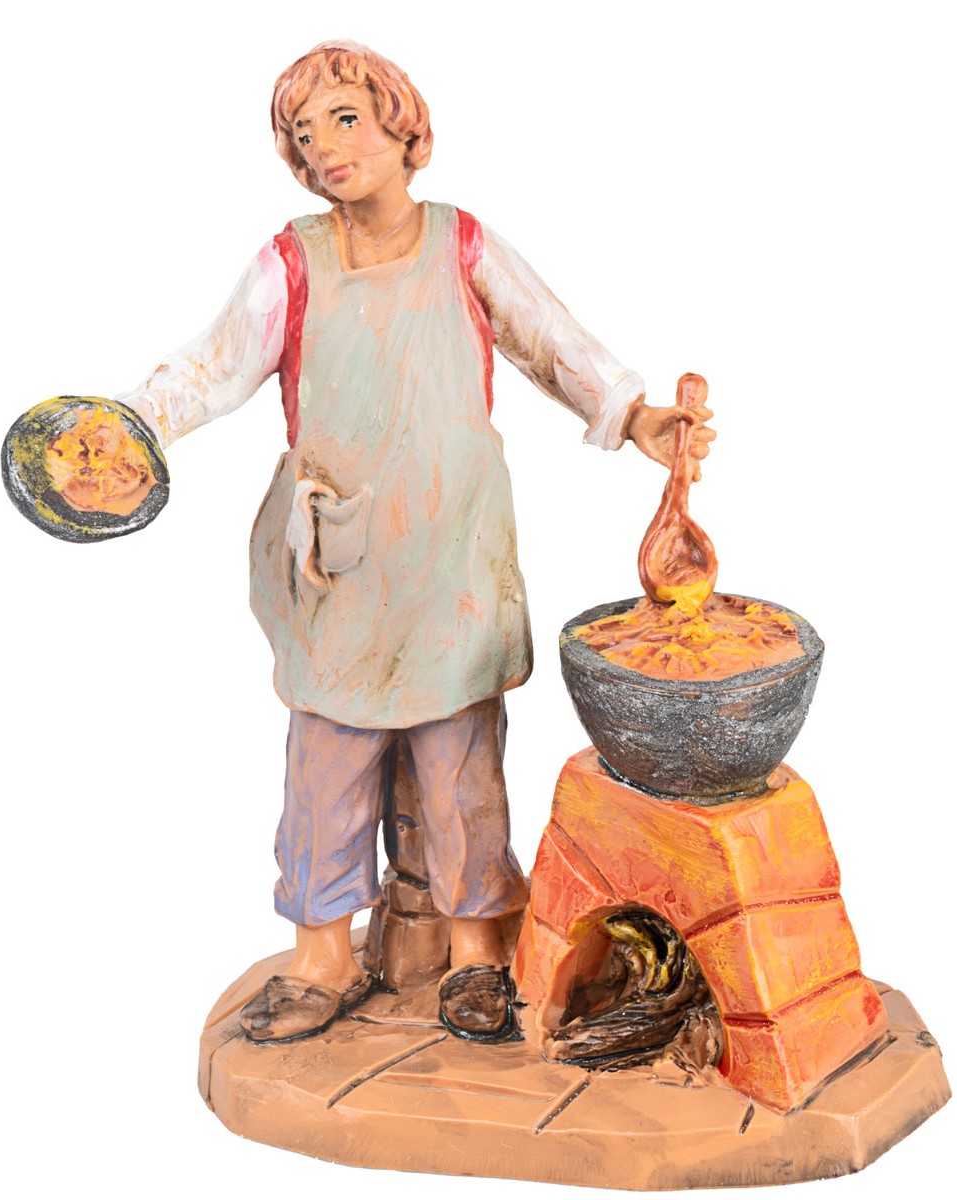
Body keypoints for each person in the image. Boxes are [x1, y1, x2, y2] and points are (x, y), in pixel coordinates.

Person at [113, 42, 711, 1042]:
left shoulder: (462, 245)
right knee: (326, 763)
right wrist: (134, 426)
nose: (325, 147)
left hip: (452, 557)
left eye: (346, 118)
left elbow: (551, 341)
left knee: (459, 763)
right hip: (340, 566)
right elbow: (210, 368)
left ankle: (475, 950)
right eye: (305, 134)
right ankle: (321, 954)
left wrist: (633, 413)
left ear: (404, 129)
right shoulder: (292, 262)